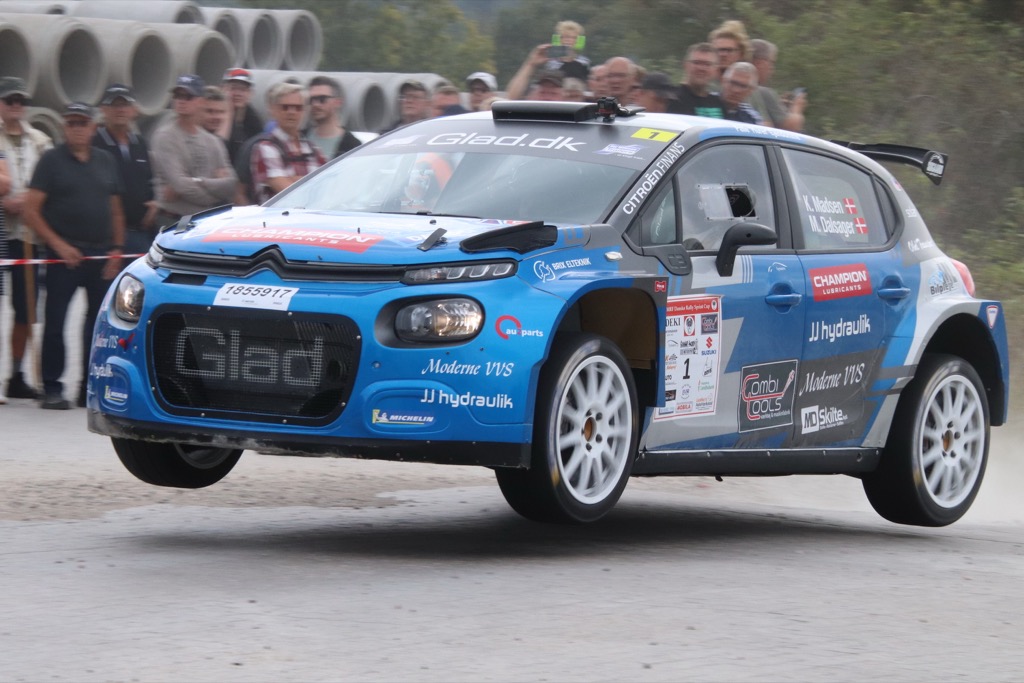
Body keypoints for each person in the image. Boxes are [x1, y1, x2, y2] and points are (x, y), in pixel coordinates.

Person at [22, 102, 125, 409]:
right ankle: (52, 386)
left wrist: (116, 250)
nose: (77, 128)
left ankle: (88, 386)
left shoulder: (106, 161)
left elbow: (115, 209)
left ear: (93, 127)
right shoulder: (50, 161)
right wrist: (58, 245)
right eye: (71, 123)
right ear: (64, 127)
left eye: (82, 122)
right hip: (62, 256)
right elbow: (30, 209)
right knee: (55, 322)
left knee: (98, 326)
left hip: (99, 255)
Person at [0, 76, 52, 401]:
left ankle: (17, 373)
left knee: (25, 308)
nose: (16, 106)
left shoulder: (40, 141)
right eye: (10, 100)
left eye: (21, 100)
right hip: (3, 227)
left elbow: (50, 181)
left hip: (27, 234)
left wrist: (32, 203)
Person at [151, 75, 238, 224]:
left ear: (201, 101)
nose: (181, 101)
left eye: (188, 96)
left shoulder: (212, 141)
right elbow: (181, 184)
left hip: (205, 220)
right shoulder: (165, 136)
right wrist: (213, 193)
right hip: (175, 219)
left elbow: (231, 184)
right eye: (178, 95)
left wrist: (197, 181)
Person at [92, 84, 157, 256]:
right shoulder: (95, 143)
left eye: (125, 105)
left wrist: (155, 203)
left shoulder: (140, 143)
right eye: (114, 105)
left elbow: (150, 180)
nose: (120, 110)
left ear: (134, 109)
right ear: (104, 109)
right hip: (108, 236)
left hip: (140, 231)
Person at [249, 81, 326, 205]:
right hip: (277, 221)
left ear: (304, 111)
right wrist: (310, 182)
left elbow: (328, 189)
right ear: (273, 110)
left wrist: (294, 180)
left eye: (298, 108)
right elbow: (289, 193)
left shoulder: (313, 149)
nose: (291, 112)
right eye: (285, 107)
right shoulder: (265, 148)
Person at [748, 38, 807, 132]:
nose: (772, 68)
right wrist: (797, 108)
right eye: (771, 63)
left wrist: (779, 107)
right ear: (760, 63)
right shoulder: (763, 92)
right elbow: (792, 127)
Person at [306, 75, 361, 159]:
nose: (315, 104)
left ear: (337, 102)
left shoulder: (353, 146)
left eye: (322, 99)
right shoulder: (300, 139)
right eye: (311, 99)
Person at [218, 67, 264, 165]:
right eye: (233, 88)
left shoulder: (254, 122)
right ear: (222, 89)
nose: (238, 94)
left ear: (251, 93)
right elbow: (218, 150)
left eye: (243, 89)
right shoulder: (214, 115)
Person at [669, 43, 725, 118]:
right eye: (696, 63)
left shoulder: (719, 103)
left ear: (716, 70)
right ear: (685, 65)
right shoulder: (671, 99)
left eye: (707, 64)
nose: (701, 68)